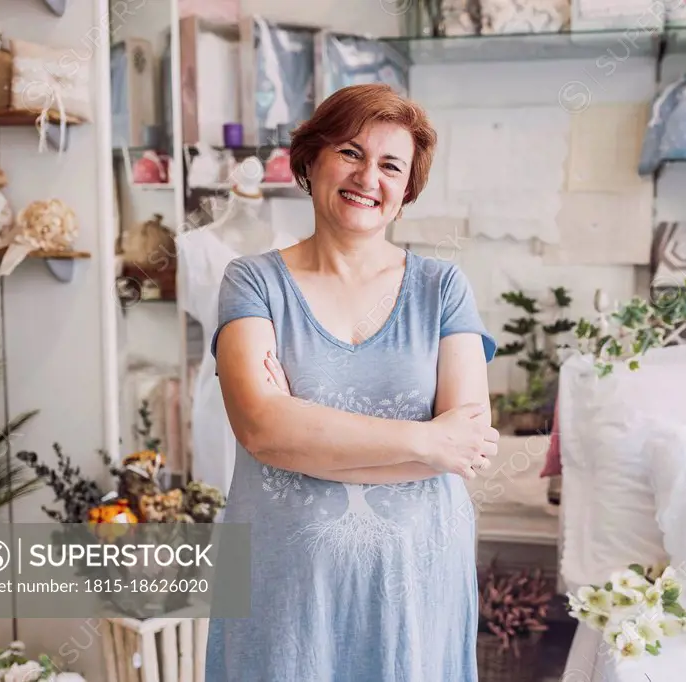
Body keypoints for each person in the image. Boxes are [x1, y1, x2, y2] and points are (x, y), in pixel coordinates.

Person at [204, 83, 499, 682]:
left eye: (391, 165)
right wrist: (424, 441)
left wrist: (304, 434)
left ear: (407, 188)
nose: (369, 177)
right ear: (310, 161)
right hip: (282, 586)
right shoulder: (252, 282)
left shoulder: (443, 288)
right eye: (350, 152)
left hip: (416, 588)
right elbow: (261, 427)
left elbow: (464, 444)